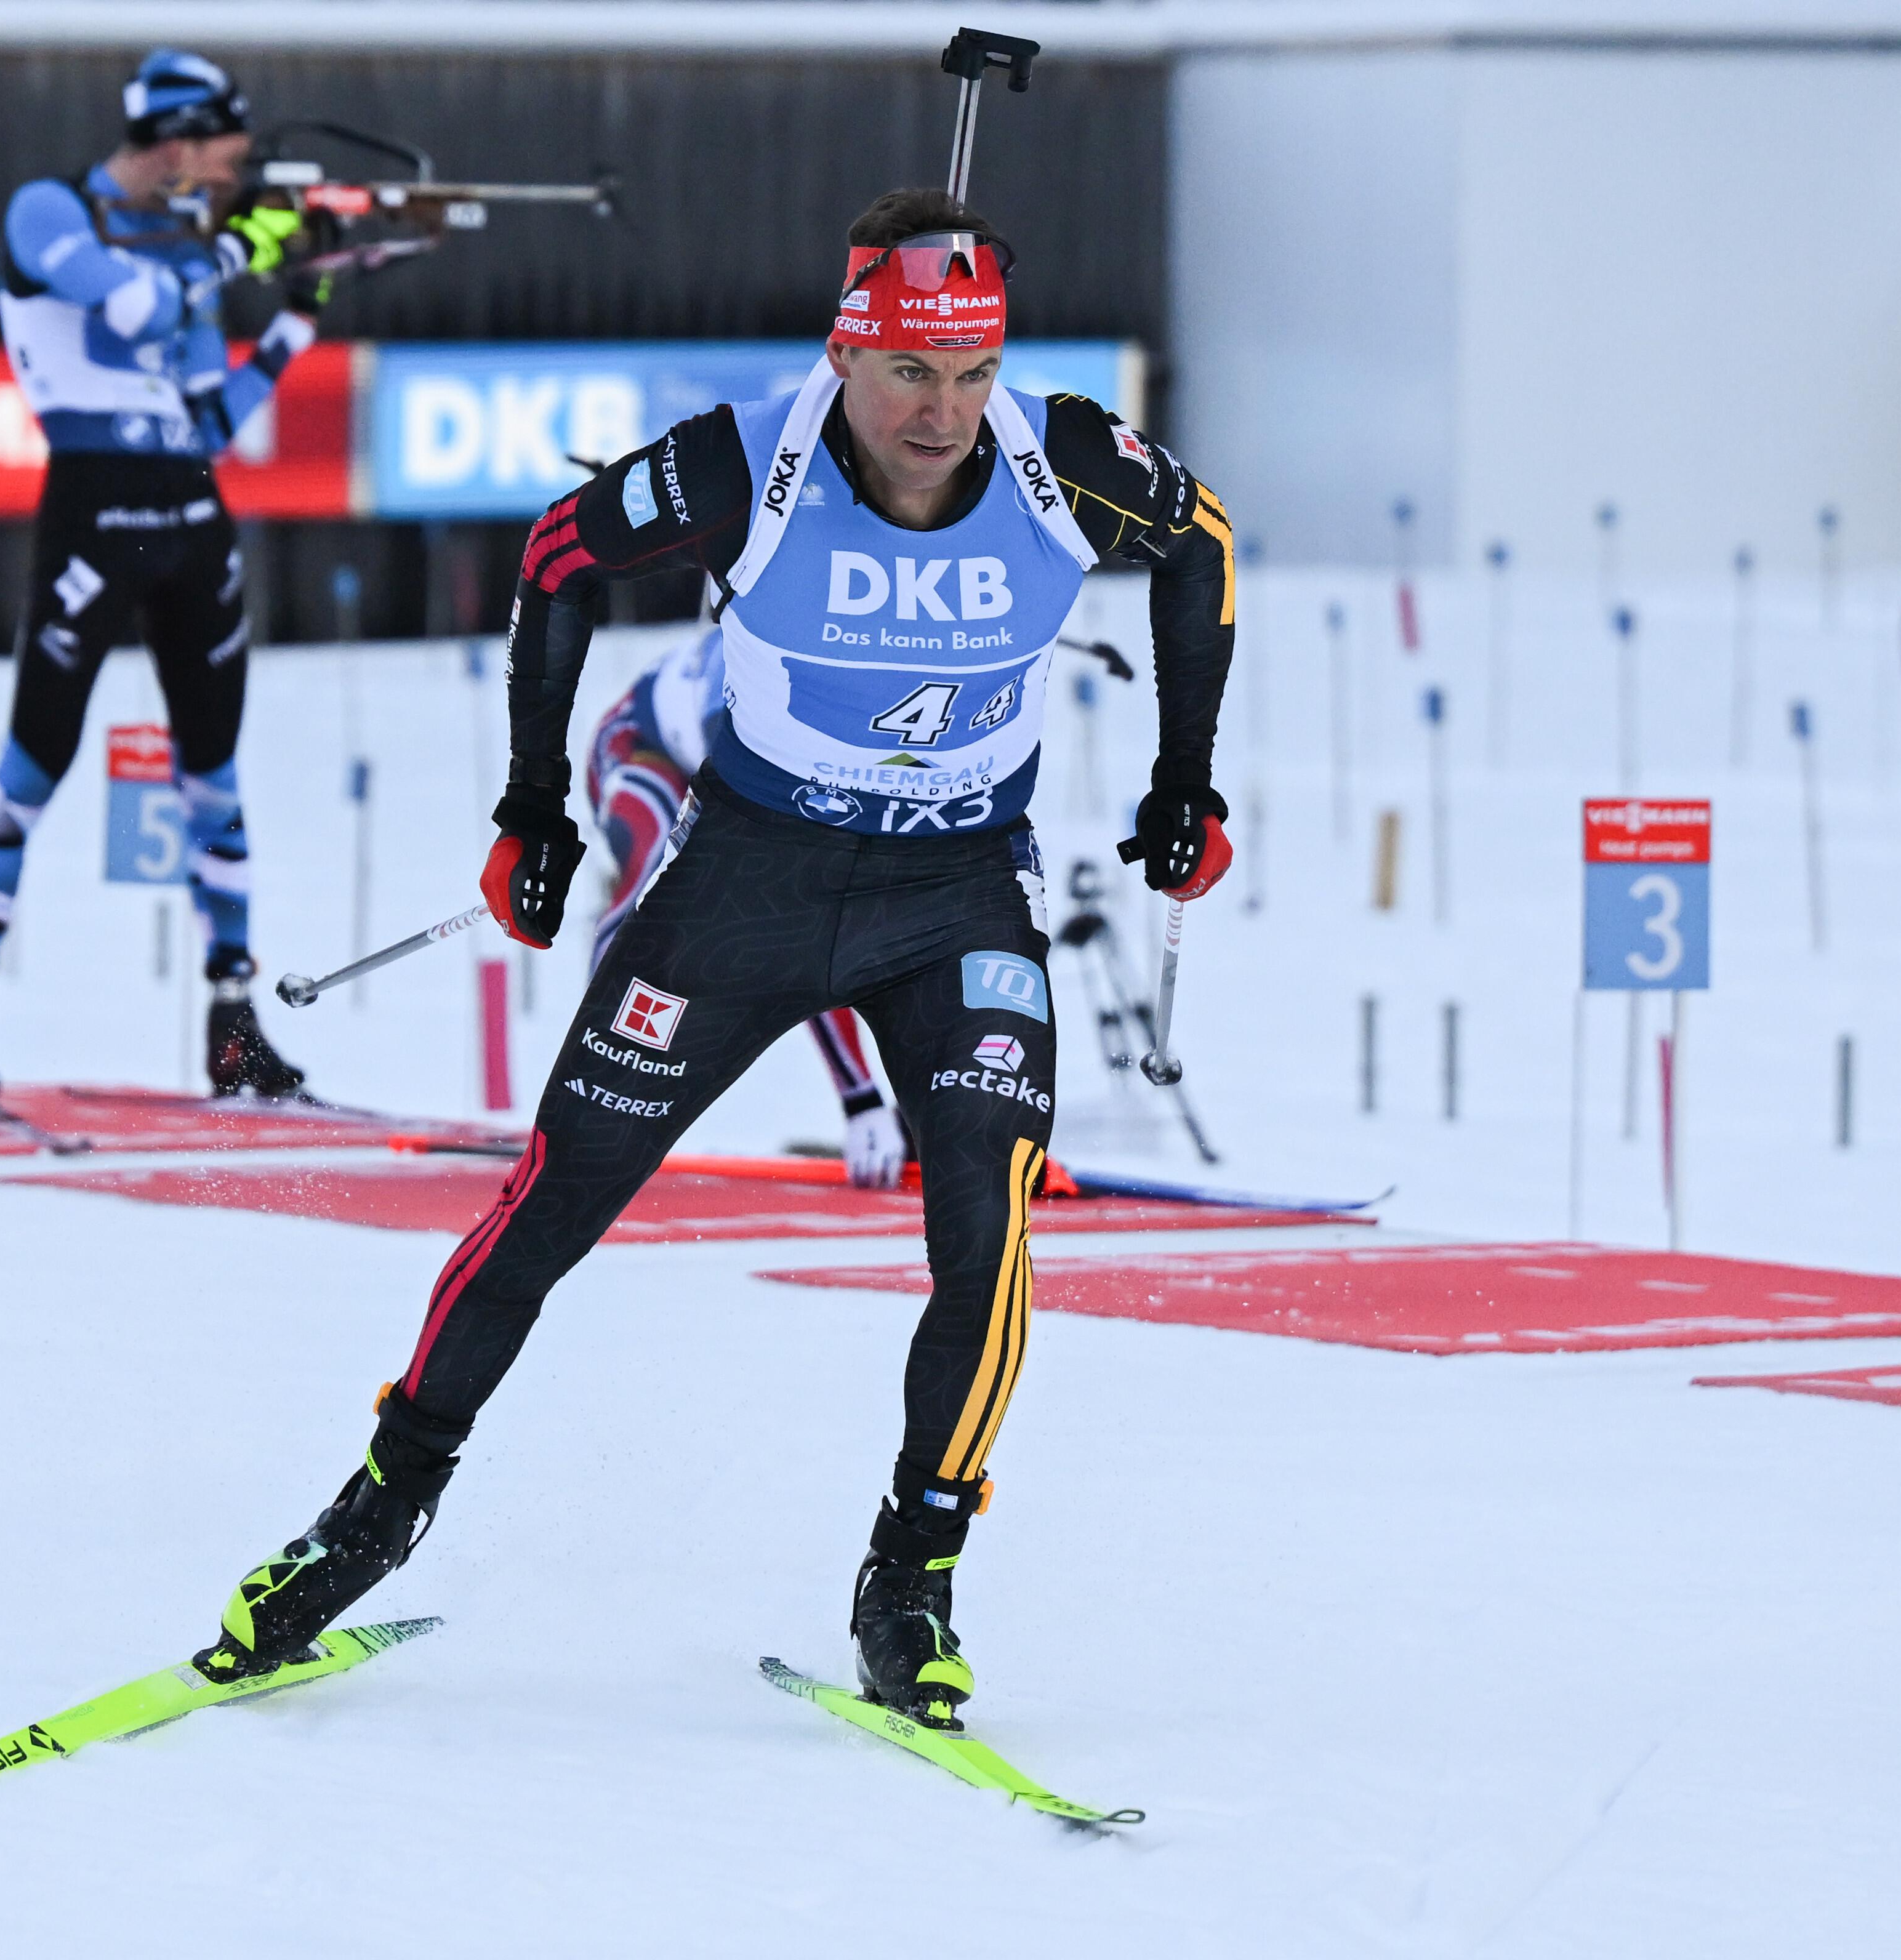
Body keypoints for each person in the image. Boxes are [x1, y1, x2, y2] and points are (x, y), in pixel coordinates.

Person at [188, 188, 1237, 1729]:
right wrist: (532, 809)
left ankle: (912, 1577)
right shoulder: (750, 462)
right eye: (909, 372)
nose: (942, 413)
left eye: (971, 373)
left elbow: (1204, 544)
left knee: (989, 1225)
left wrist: (1185, 778)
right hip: (748, 881)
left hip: (955, 894)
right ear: (845, 351)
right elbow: (559, 557)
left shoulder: (1059, 455)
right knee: (556, 1199)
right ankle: (376, 1509)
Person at [0, 49, 330, 1103]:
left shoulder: (188, 247)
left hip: (191, 512)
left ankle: (233, 1021)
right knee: (32, 767)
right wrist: (234, 253)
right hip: (95, 510)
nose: (233, 183)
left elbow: (211, 421)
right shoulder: (50, 211)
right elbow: (129, 310)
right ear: (178, 144)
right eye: (226, 161)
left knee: (214, 776)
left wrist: (295, 321)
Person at [587, 629, 909, 1189]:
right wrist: (860, 1100)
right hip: (640, 745)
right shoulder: (753, 713)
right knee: (656, 850)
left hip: (737, 749)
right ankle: (595, 1080)